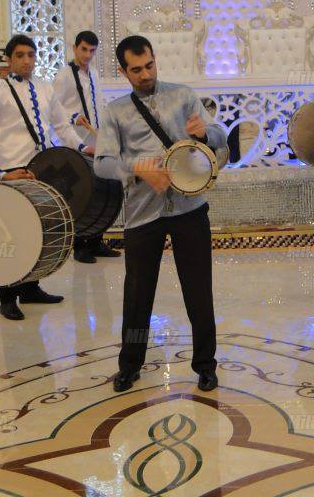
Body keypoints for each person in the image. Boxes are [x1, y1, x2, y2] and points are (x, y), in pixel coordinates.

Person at [94, 35, 226, 393]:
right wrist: (138, 169)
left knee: (198, 289)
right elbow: (103, 165)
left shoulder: (183, 96)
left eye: (149, 65)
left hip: (190, 209)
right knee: (138, 294)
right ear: (123, 71)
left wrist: (207, 132)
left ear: (155, 60)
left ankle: (206, 365)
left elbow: (221, 138)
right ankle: (130, 364)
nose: (145, 74)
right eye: (136, 70)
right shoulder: (115, 112)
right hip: (142, 213)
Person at [0, 34, 92, 319]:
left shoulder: (45, 88)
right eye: (20, 55)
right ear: (9, 58)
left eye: (31, 55)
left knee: (38, 230)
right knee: (12, 235)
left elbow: (62, 126)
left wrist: (83, 147)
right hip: (13, 172)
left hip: (43, 169)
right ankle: (7, 297)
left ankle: (30, 288)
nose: (27, 60)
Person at [53, 30, 121, 263]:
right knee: (83, 192)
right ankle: (80, 246)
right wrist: (72, 116)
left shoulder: (93, 72)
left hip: (95, 139)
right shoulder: (64, 75)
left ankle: (96, 240)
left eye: (92, 50)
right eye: (84, 49)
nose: (88, 55)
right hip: (76, 140)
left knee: (100, 189)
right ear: (74, 48)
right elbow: (55, 107)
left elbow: (97, 103)